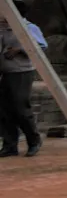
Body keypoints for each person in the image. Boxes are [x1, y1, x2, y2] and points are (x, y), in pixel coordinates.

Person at [0, 17, 47, 157]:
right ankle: (10, 145)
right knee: (4, 110)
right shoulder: (2, 28)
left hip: (21, 72)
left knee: (20, 106)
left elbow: (42, 45)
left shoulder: (28, 27)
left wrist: (19, 49)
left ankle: (34, 141)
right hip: (5, 72)